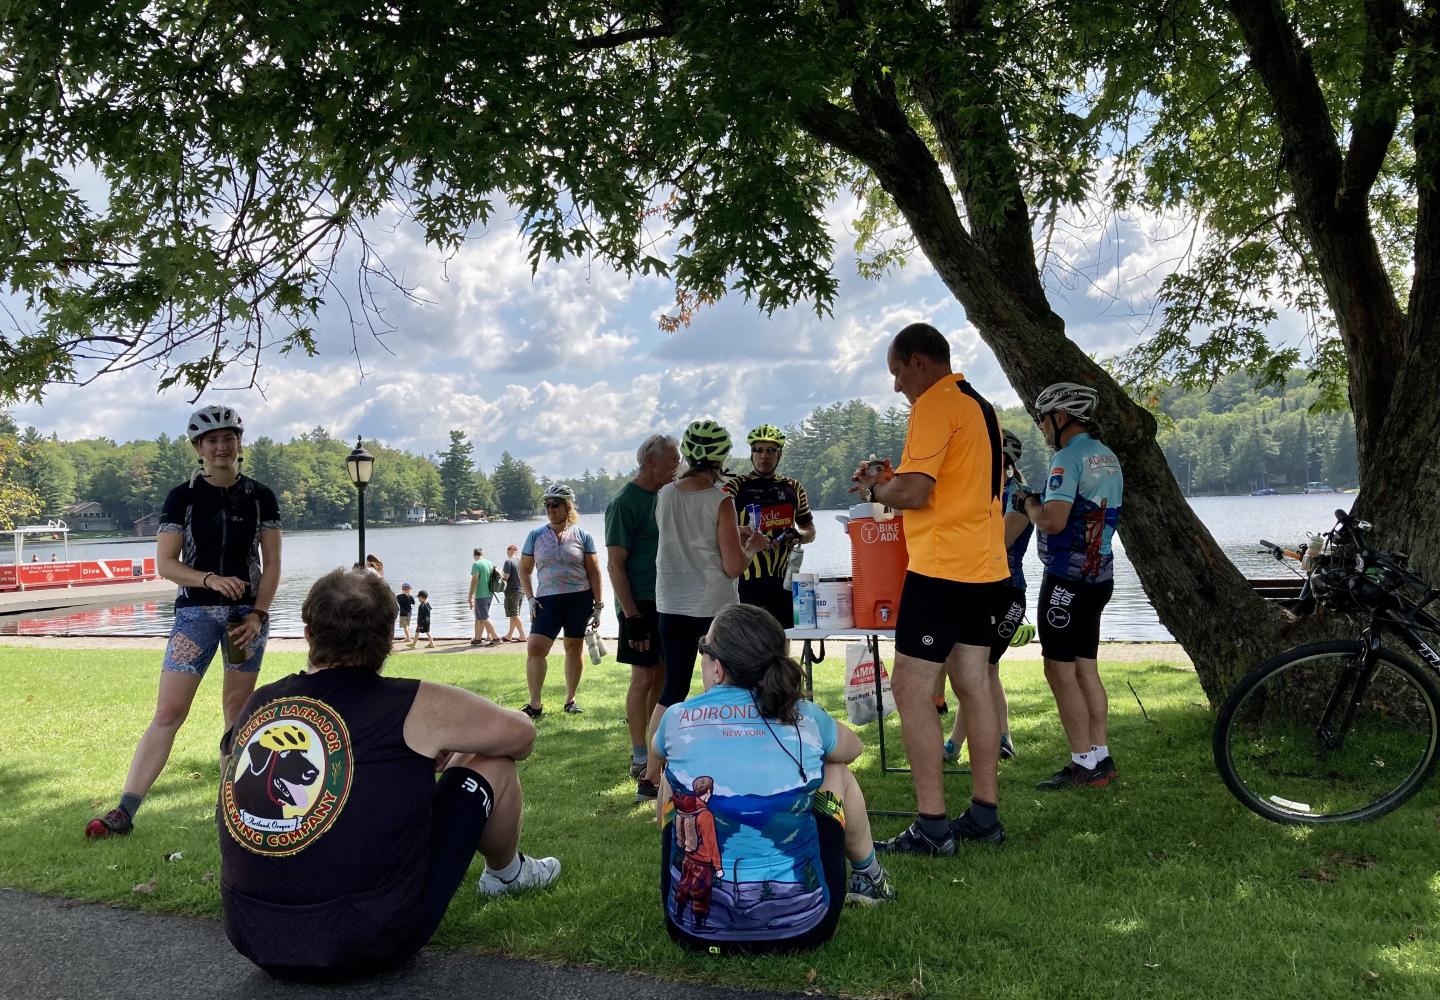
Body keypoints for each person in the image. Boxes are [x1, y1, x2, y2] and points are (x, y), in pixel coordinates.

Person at [217, 568, 559, 981]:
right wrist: (457, 745)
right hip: (370, 939)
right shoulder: (412, 702)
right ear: (390, 637)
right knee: (494, 762)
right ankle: (508, 875)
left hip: (254, 934)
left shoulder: (262, 702)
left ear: (309, 633)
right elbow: (521, 736)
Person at [86, 404, 282, 839]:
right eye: (211, 440)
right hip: (195, 613)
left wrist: (258, 614)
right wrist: (209, 578)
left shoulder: (260, 495)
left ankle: (230, 808)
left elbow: (271, 567)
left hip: (245, 620)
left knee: (236, 711)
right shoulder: (183, 496)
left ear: (239, 443)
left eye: (228, 438)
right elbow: (166, 564)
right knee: (169, 711)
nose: (221, 446)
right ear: (198, 448)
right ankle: (125, 809)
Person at [653, 604, 895, 953]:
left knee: (671, 778)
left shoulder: (677, 718)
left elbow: (655, 750)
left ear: (717, 669)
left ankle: (685, 889)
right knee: (835, 771)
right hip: (808, 929)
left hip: (690, 933)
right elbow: (853, 748)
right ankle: (869, 875)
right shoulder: (803, 717)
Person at [851, 322, 1009, 854]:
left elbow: (915, 494)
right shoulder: (979, 405)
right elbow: (948, 481)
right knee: (974, 682)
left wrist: (878, 486)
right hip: (986, 566)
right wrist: (893, 479)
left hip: (942, 567)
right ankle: (984, 813)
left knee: (910, 690)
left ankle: (932, 824)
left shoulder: (935, 404)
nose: (897, 387)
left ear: (919, 362)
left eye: (897, 373)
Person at [638, 420, 769, 803]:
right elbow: (731, 566)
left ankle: (649, 775)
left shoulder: (664, 494)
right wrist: (753, 546)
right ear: (721, 458)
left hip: (672, 603)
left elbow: (687, 537)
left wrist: (730, 532)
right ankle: (731, 765)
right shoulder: (721, 498)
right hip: (715, 607)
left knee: (672, 689)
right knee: (728, 686)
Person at [1015, 382, 1124, 789]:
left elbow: (1053, 520)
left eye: (1042, 421)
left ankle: (1082, 763)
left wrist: (1028, 502)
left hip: (1066, 578)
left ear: (1060, 418)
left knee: (1059, 670)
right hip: (1101, 577)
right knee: (1085, 667)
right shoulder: (1107, 457)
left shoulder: (1067, 458)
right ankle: (1101, 757)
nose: (1042, 429)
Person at [943, 428, 1033, 764]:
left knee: (981, 669)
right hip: (976, 591)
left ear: (1005, 462)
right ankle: (1002, 737)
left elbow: (1000, 540)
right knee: (983, 671)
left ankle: (955, 744)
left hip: (1007, 593)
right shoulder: (973, 493)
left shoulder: (1021, 496)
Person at [605, 433, 681, 779]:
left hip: (668, 598)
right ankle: (638, 754)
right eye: (672, 460)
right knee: (643, 675)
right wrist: (632, 615)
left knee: (664, 677)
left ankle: (656, 750)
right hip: (639, 603)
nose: (677, 465)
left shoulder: (667, 496)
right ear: (651, 462)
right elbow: (614, 564)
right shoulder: (625, 503)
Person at [518, 484, 603, 717]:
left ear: (568, 507)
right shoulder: (535, 535)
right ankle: (535, 705)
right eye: (547, 505)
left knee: (573, 648)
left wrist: (598, 606)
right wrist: (530, 598)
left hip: (579, 598)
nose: (550, 509)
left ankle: (570, 700)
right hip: (547, 601)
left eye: (555, 504)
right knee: (535, 647)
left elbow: (594, 571)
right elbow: (524, 569)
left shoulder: (582, 535)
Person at [726, 424, 816, 628]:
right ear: (751, 453)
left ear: (779, 454)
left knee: (782, 643)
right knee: (747, 645)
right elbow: (718, 529)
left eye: (770, 450)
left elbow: (810, 531)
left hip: (783, 581)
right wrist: (747, 536)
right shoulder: (735, 487)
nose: (763, 456)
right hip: (745, 580)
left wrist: (799, 536)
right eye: (757, 450)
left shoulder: (793, 487)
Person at [467, 546, 500, 647]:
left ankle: (496, 638)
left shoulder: (476, 564)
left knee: (484, 618)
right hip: (489, 594)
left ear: (474, 555)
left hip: (481, 595)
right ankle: (477, 639)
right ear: (482, 554)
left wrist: (470, 596)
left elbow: (474, 581)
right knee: (479, 618)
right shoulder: (488, 563)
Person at [500, 544, 526, 643]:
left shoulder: (508, 561)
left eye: (507, 551)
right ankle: (509, 636)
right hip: (521, 590)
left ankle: (523, 636)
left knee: (514, 614)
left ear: (509, 551)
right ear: (516, 551)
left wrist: (499, 575)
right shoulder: (521, 561)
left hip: (512, 591)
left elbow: (506, 577)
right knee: (514, 614)